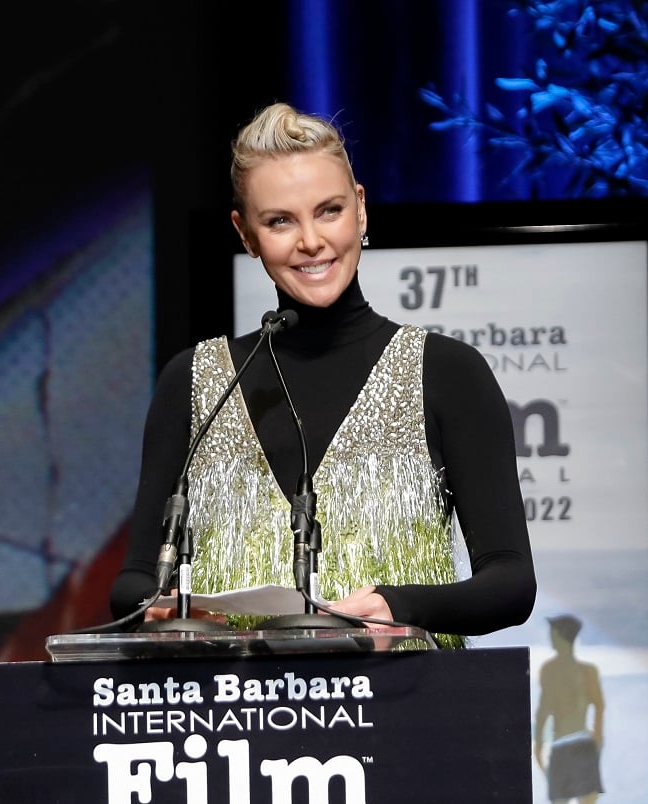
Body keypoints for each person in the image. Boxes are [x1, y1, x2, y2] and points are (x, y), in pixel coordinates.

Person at [108, 101, 536, 644]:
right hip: (237, 716)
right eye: (280, 220)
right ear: (245, 234)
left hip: (409, 712)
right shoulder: (195, 381)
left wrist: (397, 605)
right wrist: (160, 608)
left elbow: (512, 582)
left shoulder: (447, 373)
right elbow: (132, 583)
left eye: (329, 210)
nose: (311, 241)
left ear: (360, 208)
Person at [534, 614, 606, 803]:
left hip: (569, 745)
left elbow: (543, 712)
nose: (550, 636)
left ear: (560, 635)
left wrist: (539, 744)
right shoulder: (584, 671)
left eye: (553, 632)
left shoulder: (552, 671)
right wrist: (597, 739)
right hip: (577, 744)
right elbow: (599, 707)